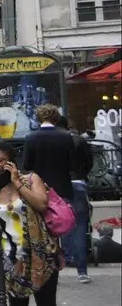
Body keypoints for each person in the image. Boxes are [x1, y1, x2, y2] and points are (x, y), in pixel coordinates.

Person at [0, 141, 62, 306]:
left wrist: (17, 183)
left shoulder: (31, 179)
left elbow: (41, 204)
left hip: (41, 255)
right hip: (12, 259)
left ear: (11, 161)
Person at [59, 118, 93, 283]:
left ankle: (65, 258)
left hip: (62, 185)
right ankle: (82, 271)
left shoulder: (56, 141)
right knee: (80, 227)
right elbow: (89, 162)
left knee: (62, 225)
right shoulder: (80, 140)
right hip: (79, 182)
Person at [23, 104, 75, 202]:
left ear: (38, 118)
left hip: (39, 187)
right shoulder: (66, 136)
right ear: (56, 118)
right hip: (62, 187)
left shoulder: (30, 138)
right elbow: (72, 164)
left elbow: (27, 165)